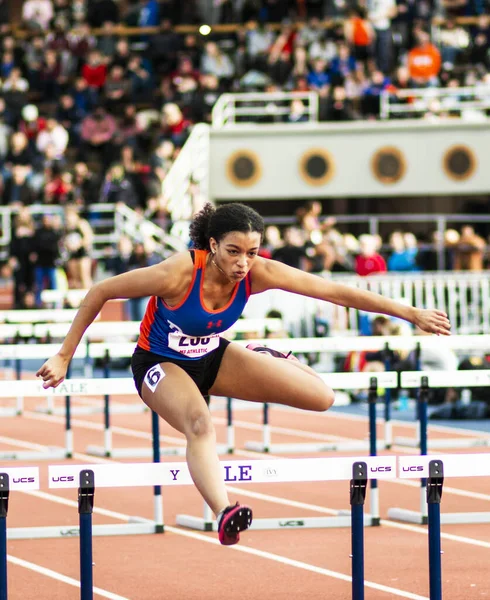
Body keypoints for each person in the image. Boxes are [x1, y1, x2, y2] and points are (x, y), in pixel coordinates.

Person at [36, 203, 450, 546]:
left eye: (252, 252)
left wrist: (409, 312)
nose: (243, 262)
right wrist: (64, 355)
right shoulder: (178, 272)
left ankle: (263, 353)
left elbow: (332, 290)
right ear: (213, 245)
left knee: (322, 397)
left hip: (214, 357)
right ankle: (224, 511)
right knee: (200, 424)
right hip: (158, 364)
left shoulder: (257, 274)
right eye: (234, 251)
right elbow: (100, 291)